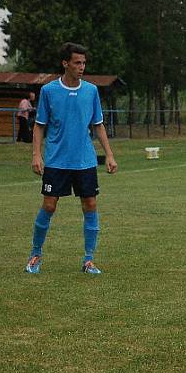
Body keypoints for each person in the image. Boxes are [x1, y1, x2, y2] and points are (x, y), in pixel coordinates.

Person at [25, 42, 117, 275]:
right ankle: (35, 255)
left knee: (90, 204)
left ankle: (88, 260)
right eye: (77, 62)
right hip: (56, 160)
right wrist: (37, 154)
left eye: (84, 63)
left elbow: (99, 126)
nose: (81, 67)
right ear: (65, 63)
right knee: (49, 205)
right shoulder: (49, 91)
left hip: (84, 160)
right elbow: (39, 126)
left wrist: (109, 155)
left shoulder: (91, 91)